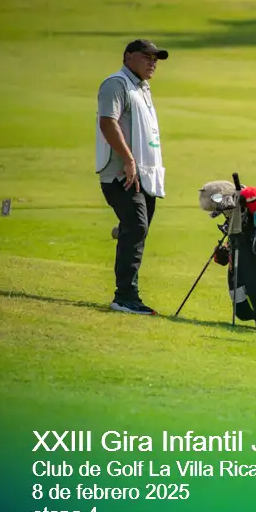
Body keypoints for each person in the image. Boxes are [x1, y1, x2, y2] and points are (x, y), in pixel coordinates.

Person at [96, 39, 169, 315]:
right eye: (147, 56)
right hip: (121, 174)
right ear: (128, 56)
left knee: (138, 228)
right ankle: (125, 297)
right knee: (137, 226)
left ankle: (124, 230)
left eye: (155, 59)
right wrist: (128, 159)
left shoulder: (142, 88)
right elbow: (108, 122)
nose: (153, 63)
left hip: (144, 176)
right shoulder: (116, 84)